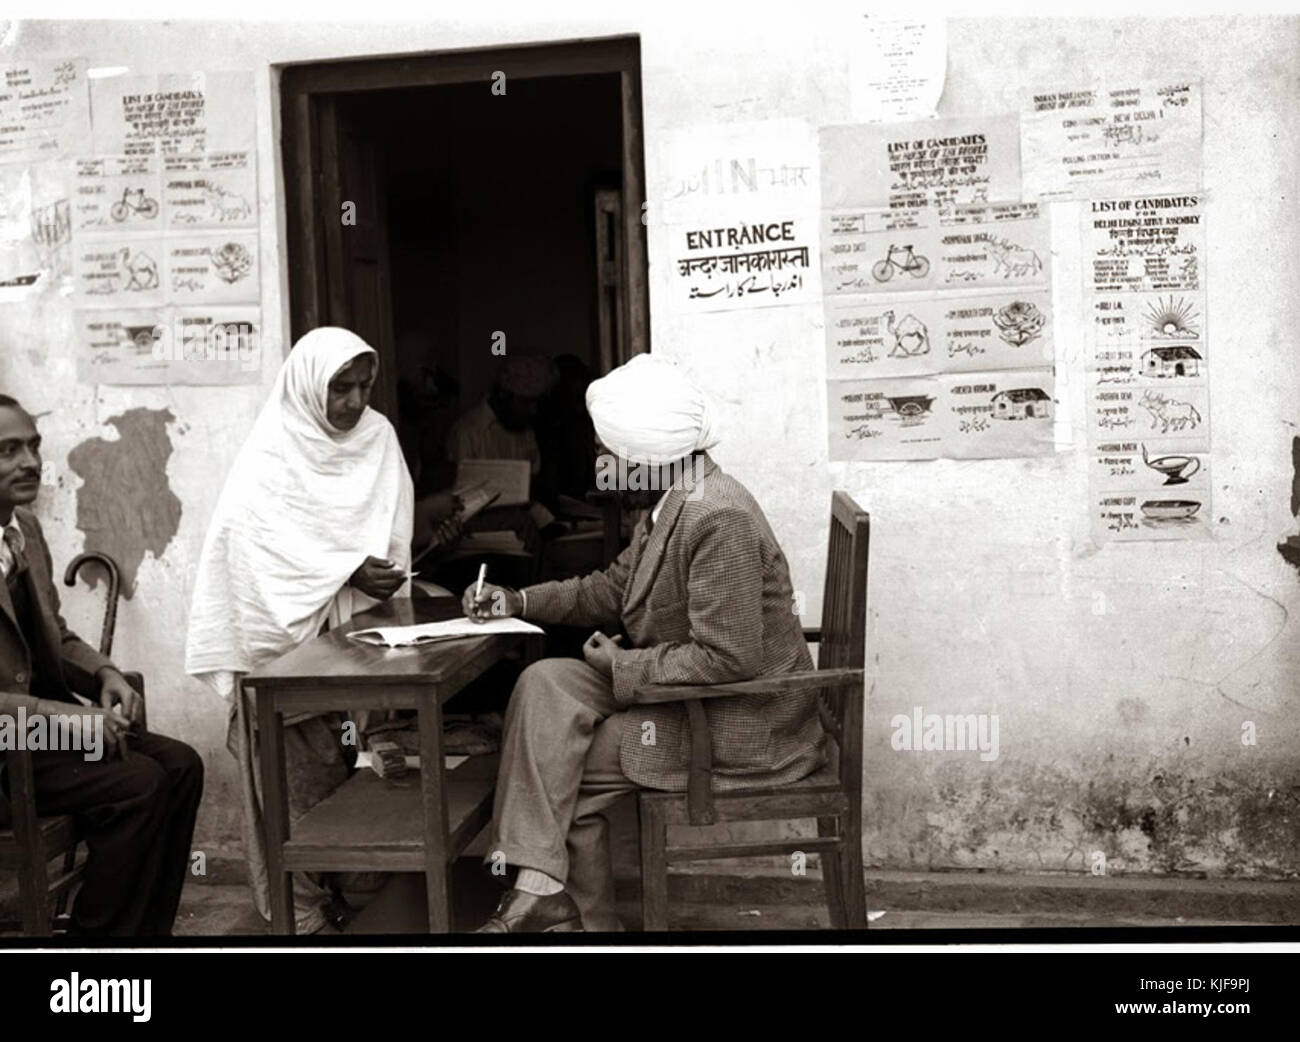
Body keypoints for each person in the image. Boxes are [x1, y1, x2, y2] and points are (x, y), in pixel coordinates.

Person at [461, 355, 826, 932]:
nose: (602, 463)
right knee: (543, 683)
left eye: (612, 452)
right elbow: (610, 588)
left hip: (742, 720)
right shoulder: (672, 503)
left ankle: (574, 919)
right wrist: (518, 600)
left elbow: (730, 658)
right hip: (684, 692)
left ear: (649, 456)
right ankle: (546, 892)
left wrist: (623, 665)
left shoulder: (717, 516)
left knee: (568, 762)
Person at [185, 327, 417, 935]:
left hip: (362, 644)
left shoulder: (378, 437)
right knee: (294, 791)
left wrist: (378, 577)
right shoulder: (272, 451)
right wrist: (344, 569)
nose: (354, 402)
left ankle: (359, 893)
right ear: (310, 385)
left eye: (365, 385)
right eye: (340, 387)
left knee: (360, 778)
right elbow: (249, 559)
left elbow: (391, 532)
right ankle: (305, 911)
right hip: (285, 659)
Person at [0, 393, 204, 936]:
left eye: (33, 446)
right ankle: (93, 954)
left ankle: (142, 942)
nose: (30, 462)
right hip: (8, 748)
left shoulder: (25, 530)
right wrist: (66, 719)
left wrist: (105, 676)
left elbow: (57, 636)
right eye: (8, 450)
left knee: (180, 766)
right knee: (136, 784)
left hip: (41, 738)